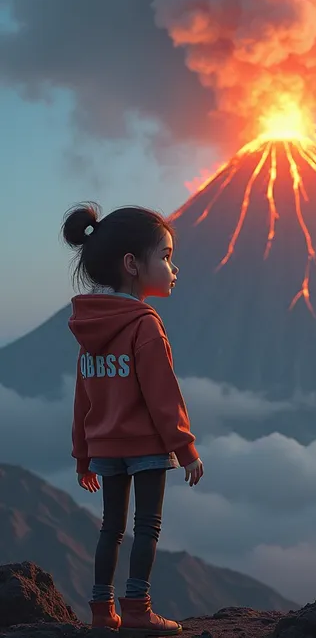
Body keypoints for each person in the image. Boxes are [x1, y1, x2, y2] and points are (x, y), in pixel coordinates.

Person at [62, 202, 204, 636]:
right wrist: (185, 447)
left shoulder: (90, 329)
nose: (174, 267)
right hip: (145, 446)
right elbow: (163, 395)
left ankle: (103, 611)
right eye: (164, 256)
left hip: (104, 448)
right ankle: (139, 608)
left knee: (111, 528)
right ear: (132, 265)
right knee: (147, 526)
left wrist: (83, 455)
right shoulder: (145, 325)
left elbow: (83, 399)